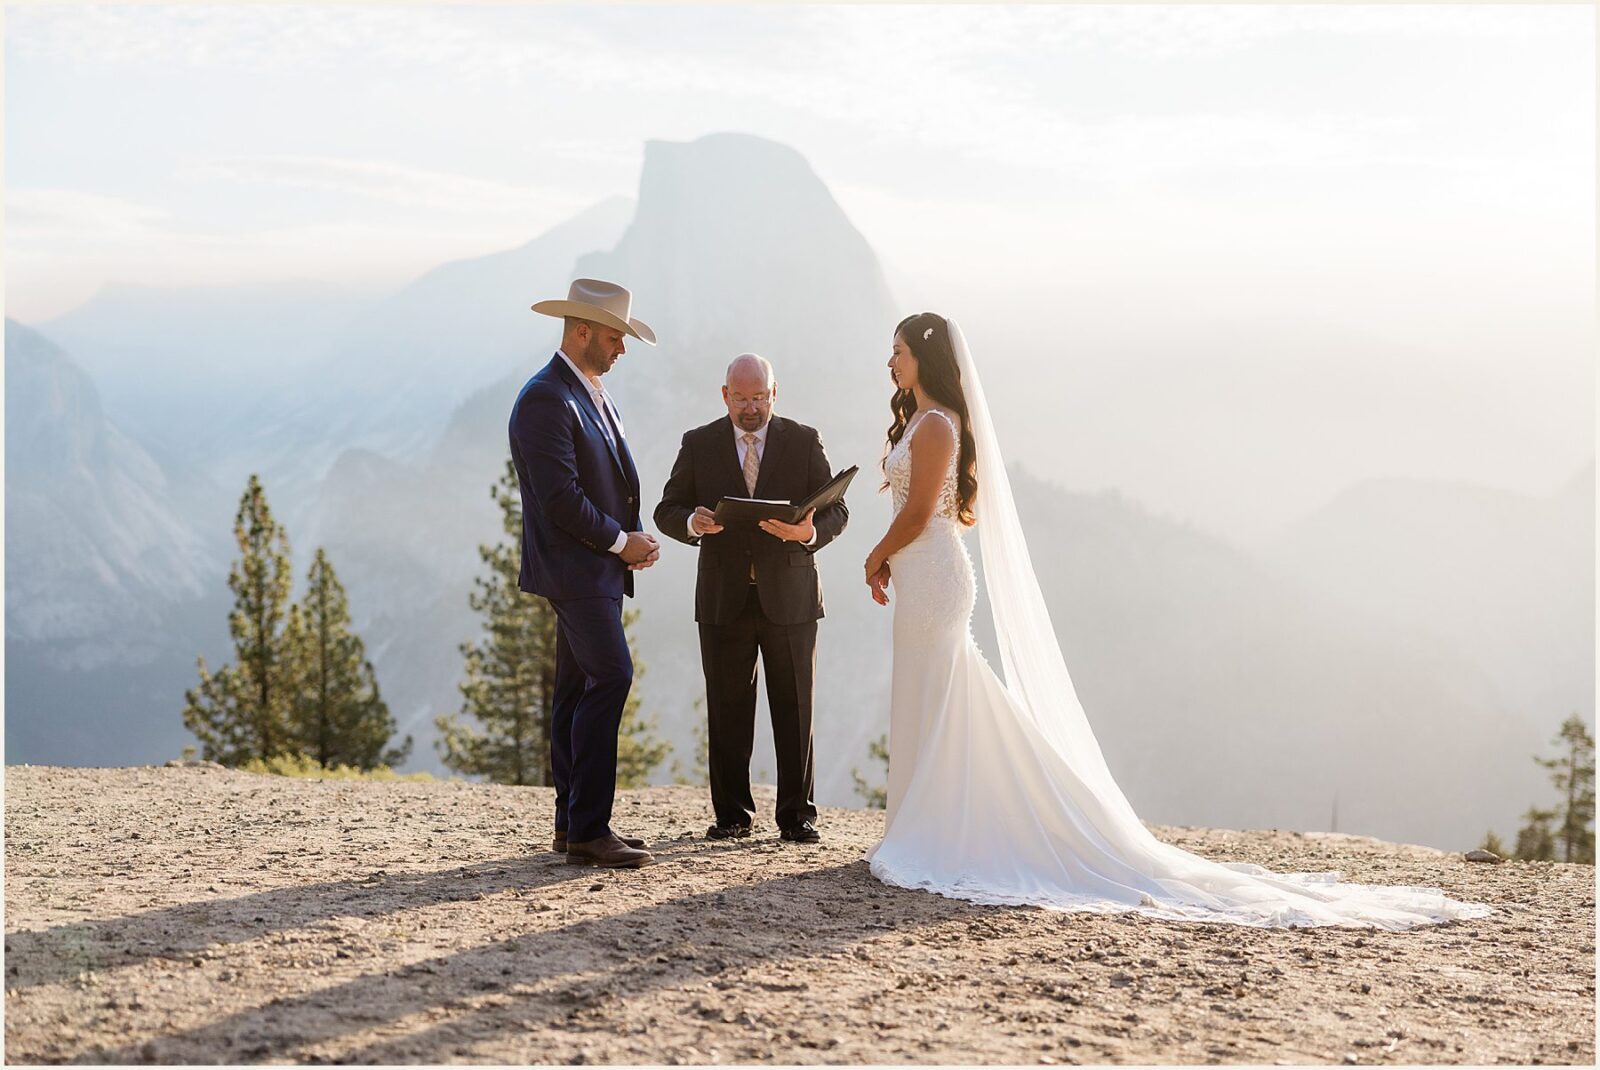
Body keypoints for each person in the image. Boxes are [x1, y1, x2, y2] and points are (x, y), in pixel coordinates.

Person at [861, 312, 1494, 929]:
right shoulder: (918, 419)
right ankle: (924, 821)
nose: (890, 361)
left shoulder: (939, 424)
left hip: (937, 578)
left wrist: (876, 555)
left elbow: (919, 515)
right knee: (929, 695)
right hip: (919, 575)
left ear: (924, 357)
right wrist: (893, 560)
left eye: (899, 351)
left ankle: (946, 827)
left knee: (941, 696)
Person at [655, 354, 849, 843]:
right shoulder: (697, 444)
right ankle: (731, 818)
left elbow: (837, 509)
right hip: (724, 598)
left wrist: (808, 532)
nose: (750, 407)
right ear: (724, 395)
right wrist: (691, 524)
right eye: (740, 398)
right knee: (726, 711)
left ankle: (797, 817)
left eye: (759, 397)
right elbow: (666, 508)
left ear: (774, 393)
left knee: (795, 709)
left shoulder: (804, 440)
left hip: (792, 598)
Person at [511, 278, 660, 868]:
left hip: (594, 568)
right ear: (580, 331)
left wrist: (632, 539)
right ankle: (591, 829)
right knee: (611, 677)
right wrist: (623, 542)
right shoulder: (546, 398)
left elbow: (606, 480)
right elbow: (560, 499)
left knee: (575, 690)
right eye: (614, 336)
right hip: (576, 569)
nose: (621, 347)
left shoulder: (589, 391)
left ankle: (571, 825)